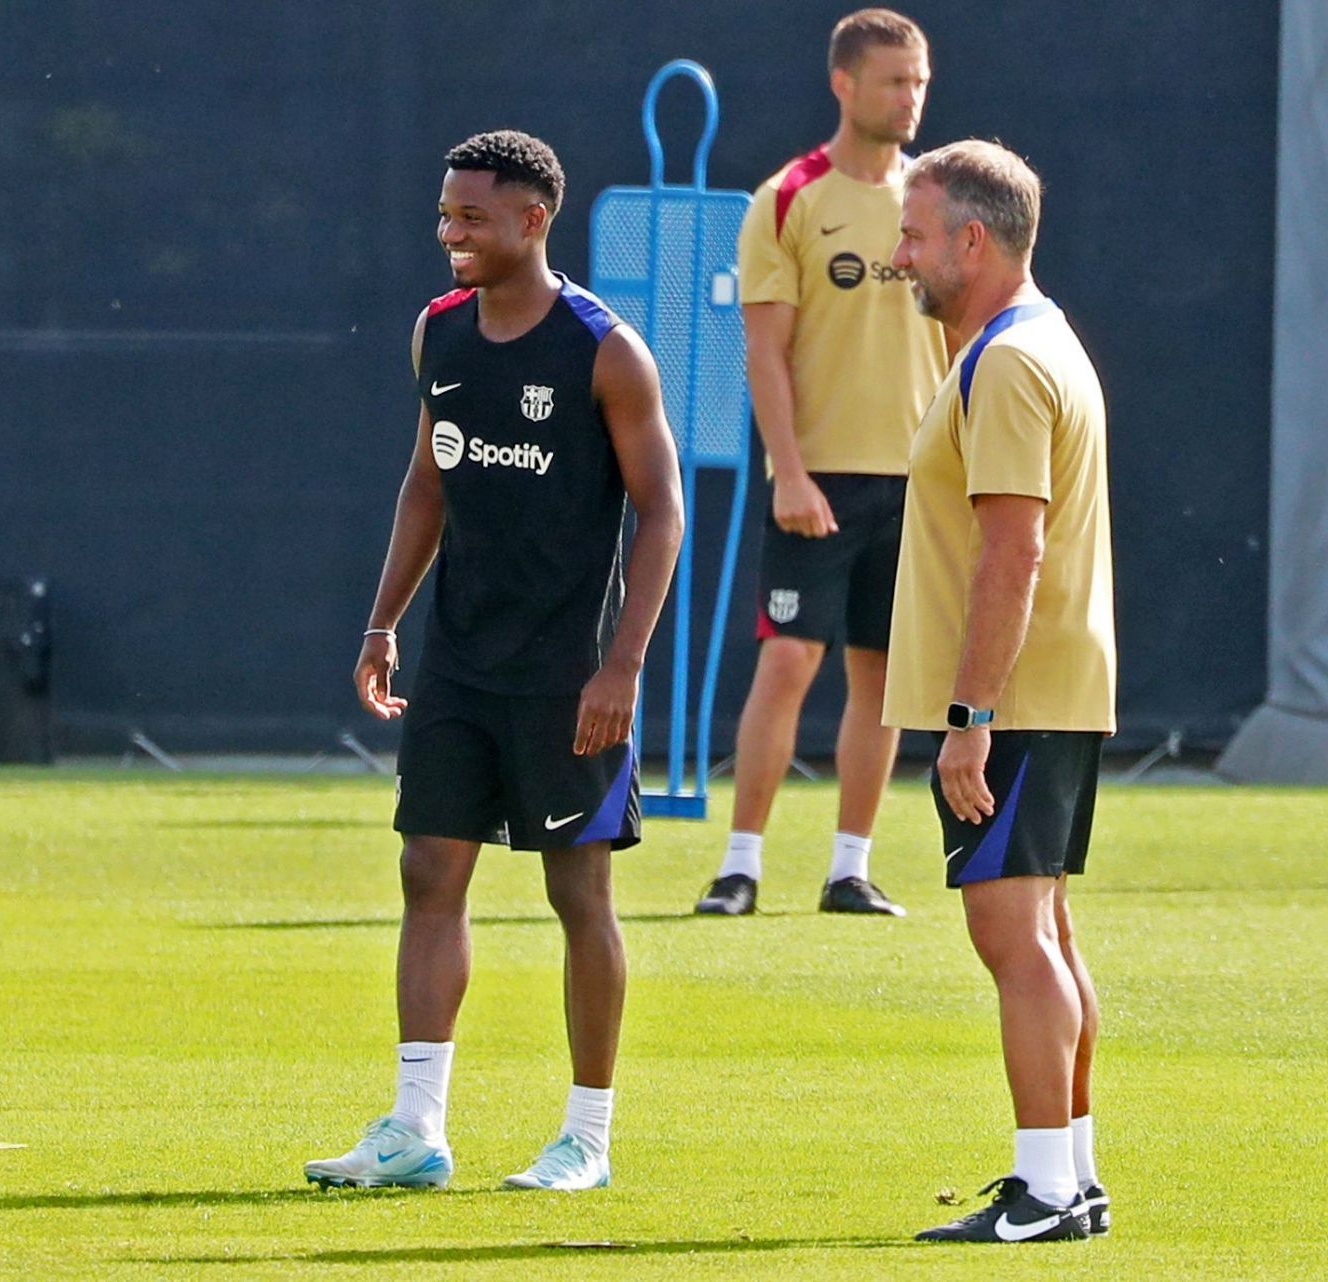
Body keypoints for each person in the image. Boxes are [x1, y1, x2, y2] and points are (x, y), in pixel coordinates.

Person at [304, 130, 683, 1193]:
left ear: (533, 220)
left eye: (470, 217)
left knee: (579, 893)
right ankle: (416, 1128)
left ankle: (587, 1138)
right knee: (429, 869)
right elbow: (428, 480)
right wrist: (384, 623)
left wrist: (623, 667)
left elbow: (663, 513)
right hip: (459, 663)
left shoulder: (606, 349)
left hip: (570, 675)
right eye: (442, 216)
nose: (450, 235)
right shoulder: (440, 334)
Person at [885, 140, 1116, 1243]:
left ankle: (1045, 1189)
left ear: (972, 241)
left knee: (1013, 938)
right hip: (1049, 689)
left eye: (917, 235)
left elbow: (1011, 552)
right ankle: (1069, 1173)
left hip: (1016, 700)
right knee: (1048, 933)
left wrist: (969, 717)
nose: (901, 257)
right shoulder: (1034, 340)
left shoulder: (1010, 361)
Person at [694, 8, 946, 918]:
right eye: (893, 80)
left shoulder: (938, 198)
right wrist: (789, 471)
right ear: (843, 83)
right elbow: (766, 351)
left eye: (918, 81)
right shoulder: (790, 197)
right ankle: (741, 864)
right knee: (792, 660)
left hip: (916, 483)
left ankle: (850, 867)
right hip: (820, 478)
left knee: (882, 676)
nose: (910, 97)